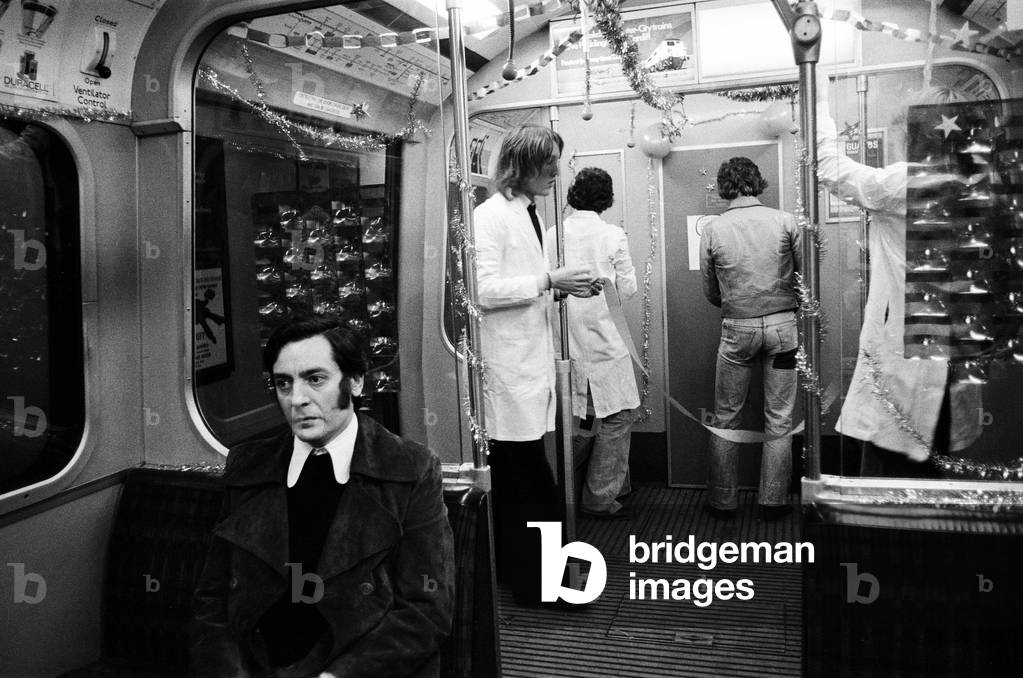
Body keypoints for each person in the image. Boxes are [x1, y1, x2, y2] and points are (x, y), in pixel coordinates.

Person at [190, 315, 454, 677]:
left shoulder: (410, 469)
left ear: (356, 382)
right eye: (284, 383)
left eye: (315, 380)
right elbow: (214, 600)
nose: (297, 399)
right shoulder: (250, 466)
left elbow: (425, 611)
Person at [815, 67, 981, 476]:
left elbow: (829, 168)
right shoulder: (972, 185)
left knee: (890, 478)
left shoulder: (909, 182)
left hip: (909, 361)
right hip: (952, 359)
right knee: (934, 475)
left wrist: (816, 97)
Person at [473, 124, 597, 604]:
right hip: (509, 371)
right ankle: (539, 583)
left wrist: (560, 285)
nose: (555, 175)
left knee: (527, 484)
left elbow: (524, 281)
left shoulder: (527, 215)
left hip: (528, 367)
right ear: (522, 165)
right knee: (528, 488)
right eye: (548, 166)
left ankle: (533, 578)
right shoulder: (490, 217)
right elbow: (483, 292)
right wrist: (548, 279)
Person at [700, 157, 801, 520]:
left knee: (727, 416)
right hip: (783, 328)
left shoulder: (713, 228)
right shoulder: (785, 220)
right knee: (780, 417)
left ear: (723, 187)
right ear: (758, 182)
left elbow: (711, 291)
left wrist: (736, 303)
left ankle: (723, 501)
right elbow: (805, 279)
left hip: (737, 329)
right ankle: (773, 502)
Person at [551, 167, 639, 519]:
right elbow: (628, 289)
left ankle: (563, 487)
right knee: (618, 415)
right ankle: (599, 496)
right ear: (606, 200)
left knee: (582, 417)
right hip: (605, 340)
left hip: (566, 342)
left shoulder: (552, 234)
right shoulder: (613, 235)